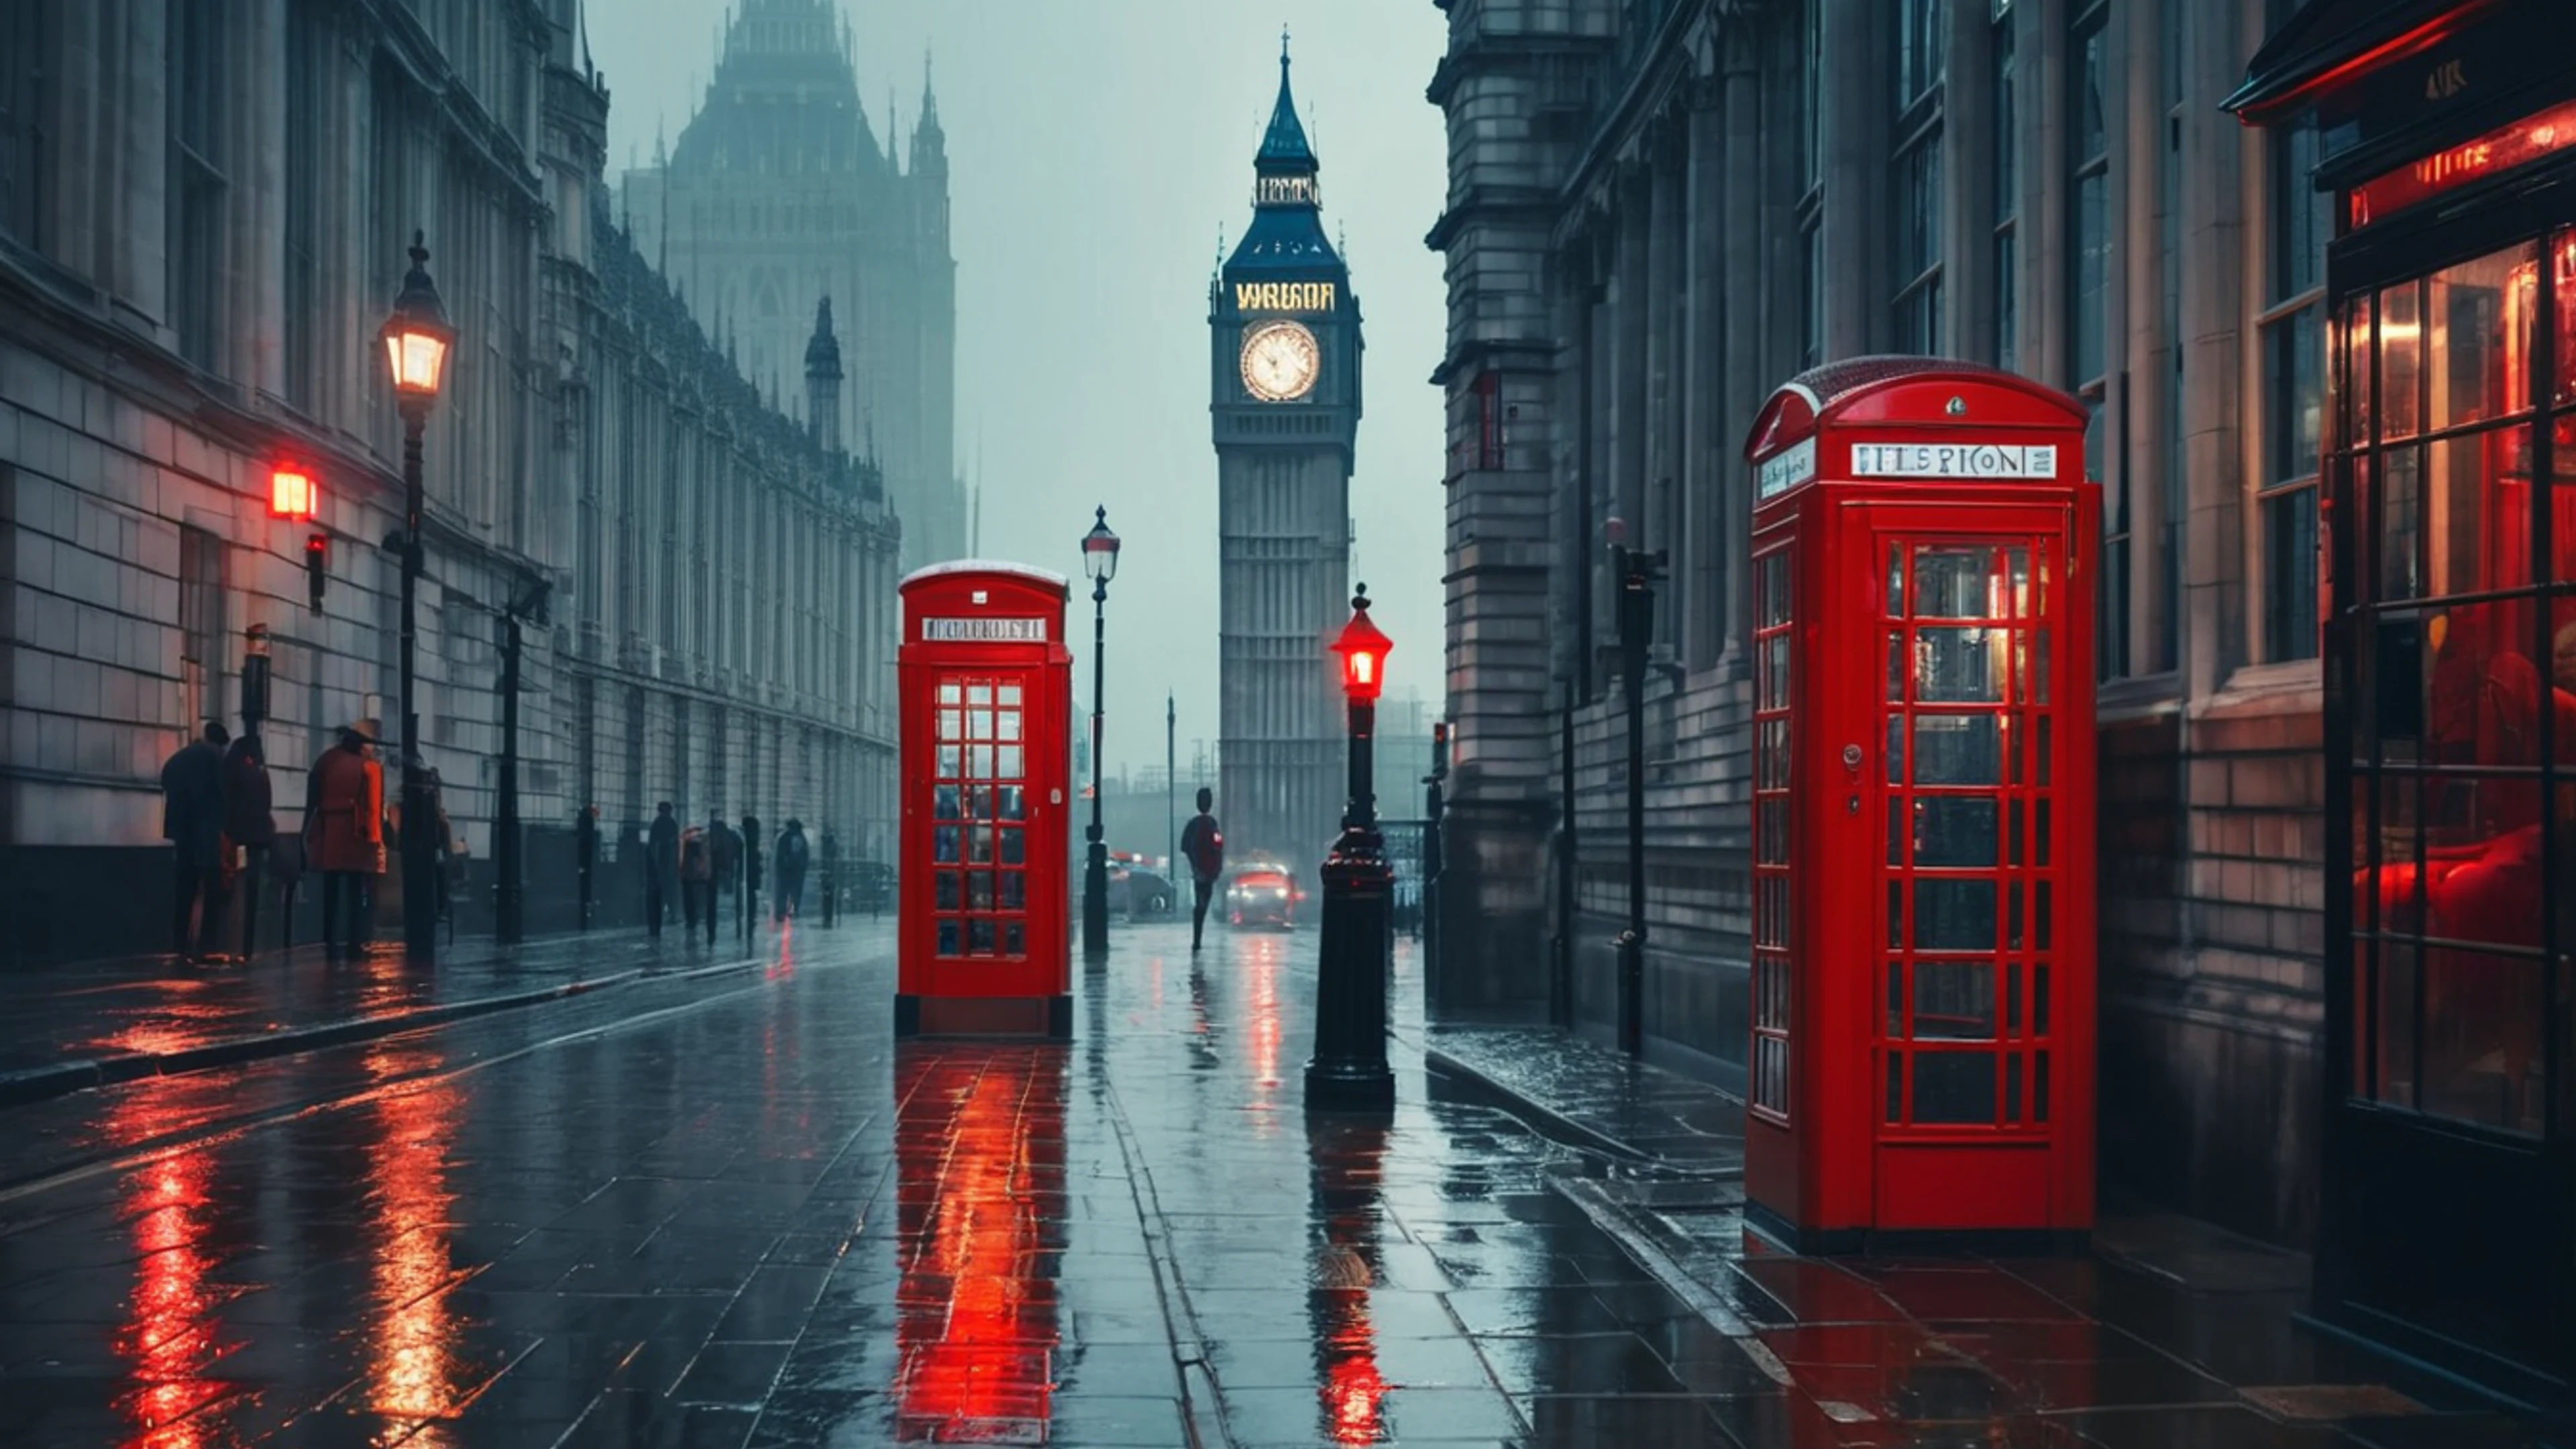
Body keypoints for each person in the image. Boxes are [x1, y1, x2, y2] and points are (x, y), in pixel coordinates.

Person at [304, 722, 385, 963]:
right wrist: (376, 842)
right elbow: (373, 806)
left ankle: (329, 941)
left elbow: (312, 800)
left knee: (331, 892)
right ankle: (354, 943)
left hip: (329, 832)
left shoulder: (326, 761)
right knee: (356, 893)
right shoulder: (369, 767)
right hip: (357, 835)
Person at [161, 721, 229, 961]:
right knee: (212, 889)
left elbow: (165, 776)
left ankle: (179, 942)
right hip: (206, 833)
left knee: (184, 890)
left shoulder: (180, 757)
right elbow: (221, 795)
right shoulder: (213, 759)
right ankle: (206, 943)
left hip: (183, 832)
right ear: (219, 743)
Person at [220, 729, 276, 959]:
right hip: (259, 837)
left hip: (237, 837)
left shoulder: (233, 766)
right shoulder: (260, 771)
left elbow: (225, 799)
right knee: (252, 887)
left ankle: (236, 941)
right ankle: (249, 943)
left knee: (236, 887)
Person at [1179, 788, 1225, 952]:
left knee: (1200, 904)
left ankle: (1197, 938)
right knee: (1202, 904)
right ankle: (1197, 938)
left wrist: (1195, 865)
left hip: (1200, 871)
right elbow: (1218, 848)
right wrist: (1216, 868)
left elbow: (1185, 847)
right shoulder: (1212, 825)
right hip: (1208, 872)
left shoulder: (1194, 825)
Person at [646, 802, 680, 937]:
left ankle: (660, 916)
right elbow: (676, 843)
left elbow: (652, 843)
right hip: (669, 863)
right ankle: (671, 914)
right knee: (670, 890)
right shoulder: (672, 824)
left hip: (659, 864)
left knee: (659, 891)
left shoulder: (656, 824)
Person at [680, 821, 712, 938]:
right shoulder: (698, 842)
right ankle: (694, 920)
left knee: (690, 900)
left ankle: (691, 921)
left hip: (689, 876)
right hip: (696, 876)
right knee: (696, 900)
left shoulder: (689, 842)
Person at [773, 818, 810, 922]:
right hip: (798, 870)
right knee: (796, 892)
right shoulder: (802, 838)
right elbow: (805, 854)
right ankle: (793, 911)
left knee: (783, 891)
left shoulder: (785, 837)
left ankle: (781, 911)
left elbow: (780, 855)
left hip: (786, 870)